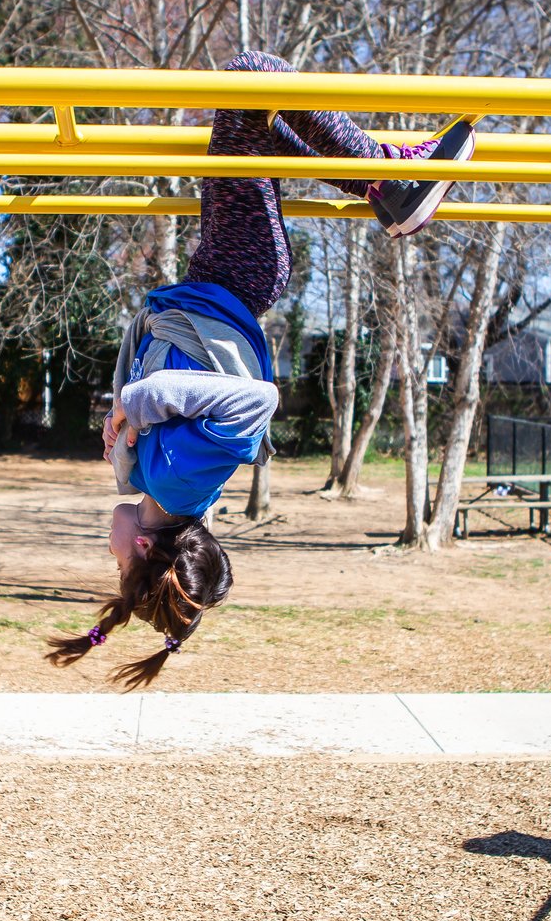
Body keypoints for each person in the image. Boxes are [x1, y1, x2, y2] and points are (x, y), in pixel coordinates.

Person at [46, 50, 475, 689]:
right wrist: (133, 405)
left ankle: (384, 181)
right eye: (118, 568)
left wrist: (122, 438)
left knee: (254, 121)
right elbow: (254, 403)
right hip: (239, 276)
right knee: (252, 75)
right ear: (141, 547)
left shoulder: (155, 482)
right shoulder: (188, 484)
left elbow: (143, 428)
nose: (109, 558)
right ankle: (387, 179)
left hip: (218, 278)